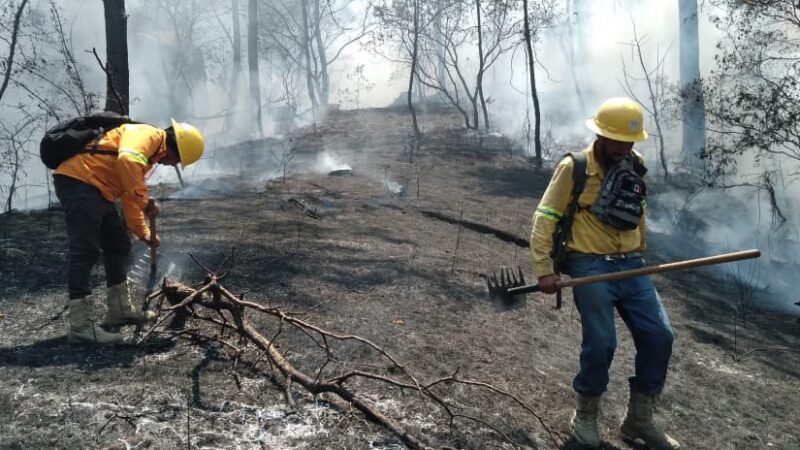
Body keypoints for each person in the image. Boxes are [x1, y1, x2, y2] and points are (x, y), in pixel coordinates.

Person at [530, 98, 680, 449]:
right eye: (616, 140)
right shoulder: (575, 167)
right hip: (589, 264)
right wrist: (543, 270)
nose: (624, 148)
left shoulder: (635, 164)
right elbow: (546, 216)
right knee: (601, 344)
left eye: (629, 142)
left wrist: (640, 251)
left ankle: (639, 420)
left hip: (631, 264)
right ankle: (584, 416)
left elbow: (638, 211)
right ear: (600, 135)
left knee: (660, 336)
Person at [53, 118, 204, 345]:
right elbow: (127, 162)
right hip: (79, 181)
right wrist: (145, 202)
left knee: (118, 244)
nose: (173, 165)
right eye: (177, 160)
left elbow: (128, 193)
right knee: (85, 251)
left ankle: (119, 310)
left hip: (97, 188)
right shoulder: (148, 135)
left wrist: (144, 233)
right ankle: (81, 326)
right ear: (176, 147)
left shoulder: (151, 153)